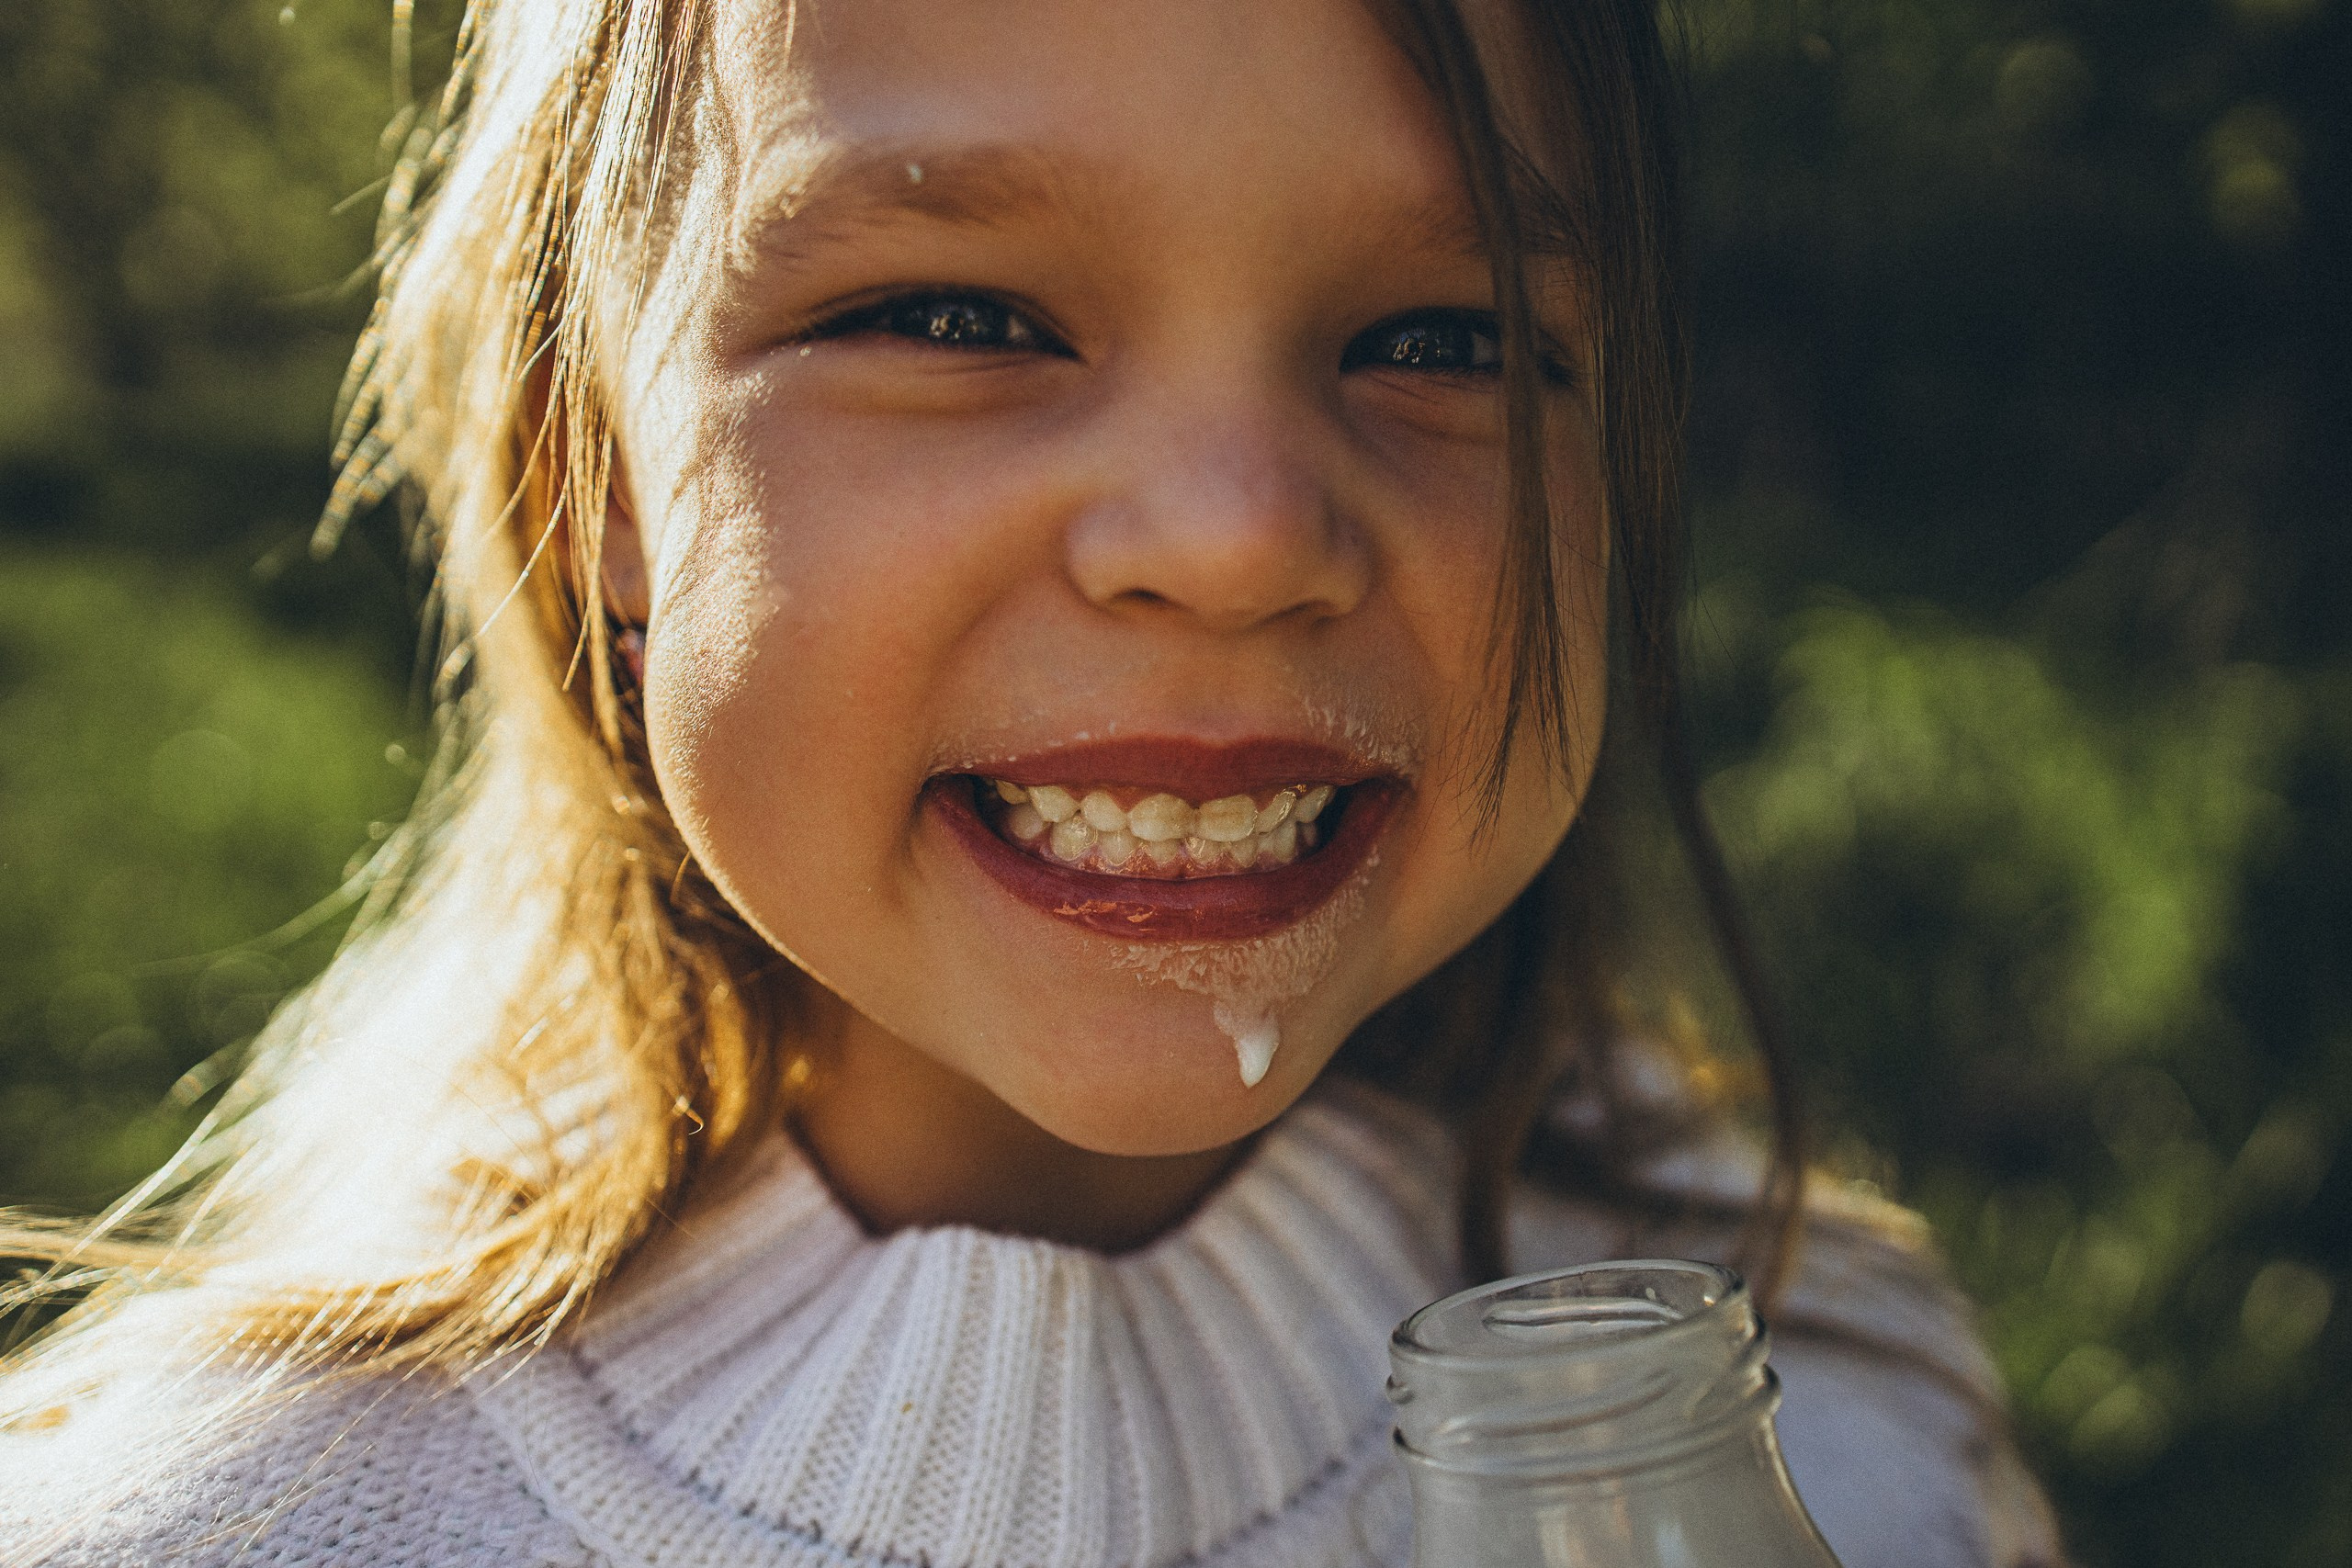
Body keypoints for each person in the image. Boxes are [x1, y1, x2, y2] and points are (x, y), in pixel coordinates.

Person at [0, 1, 2065, 1563]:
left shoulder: (1839, 1405)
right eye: (954, 312)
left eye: (1441, 339)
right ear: (595, 487)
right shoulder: (217, 1525)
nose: (1239, 531)